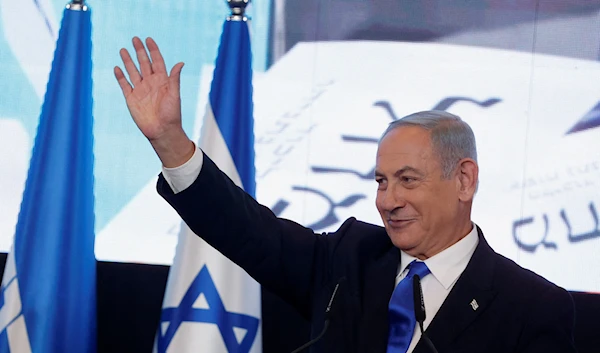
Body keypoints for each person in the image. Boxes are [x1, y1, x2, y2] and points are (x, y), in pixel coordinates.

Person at [114, 37, 577, 353]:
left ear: (464, 180)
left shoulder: (533, 308)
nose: (388, 199)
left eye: (408, 180)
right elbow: (248, 232)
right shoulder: (349, 260)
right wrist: (169, 141)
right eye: (380, 181)